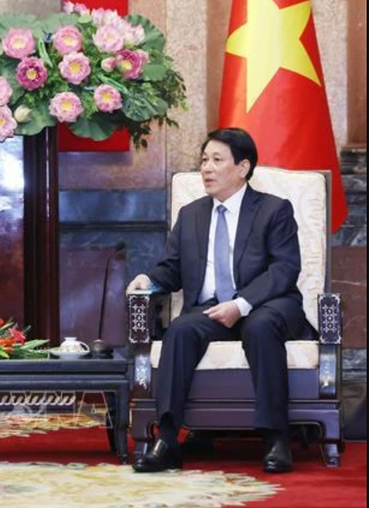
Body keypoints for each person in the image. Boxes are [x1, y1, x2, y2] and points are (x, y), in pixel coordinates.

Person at [127, 127, 315, 474]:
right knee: (180, 331)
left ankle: (276, 438)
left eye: (217, 160)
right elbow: (172, 269)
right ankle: (167, 440)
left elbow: (284, 269)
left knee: (259, 328)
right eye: (203, 160)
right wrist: (149, 280)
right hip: (212, 309)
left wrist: (241, 304)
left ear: (242, 168)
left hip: (267, 305)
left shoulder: (274, 210)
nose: (206, 168)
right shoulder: (192, 214)